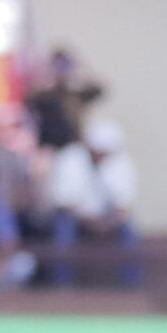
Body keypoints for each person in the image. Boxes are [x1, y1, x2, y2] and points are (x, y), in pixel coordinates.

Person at [44, 114, 139, 285]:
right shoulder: (69, 159)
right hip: (76, 219)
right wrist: (90, 222)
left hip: (107, 220)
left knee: (129, 233)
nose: (101, 157)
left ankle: (130, 287)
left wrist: (107, 222)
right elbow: (65, 204)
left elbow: (123, 206)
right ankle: (63, 286)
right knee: (63, 230)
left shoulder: (121, 163)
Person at [24, 45, 103, 153]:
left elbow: (99, 89)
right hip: (48, 149)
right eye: (57, 65)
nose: (60, 70)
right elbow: (29, 98)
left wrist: (80, 69)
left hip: (74, 146)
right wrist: (44, 75)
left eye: (64, 65)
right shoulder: (44, 94)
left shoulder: (76, 94)